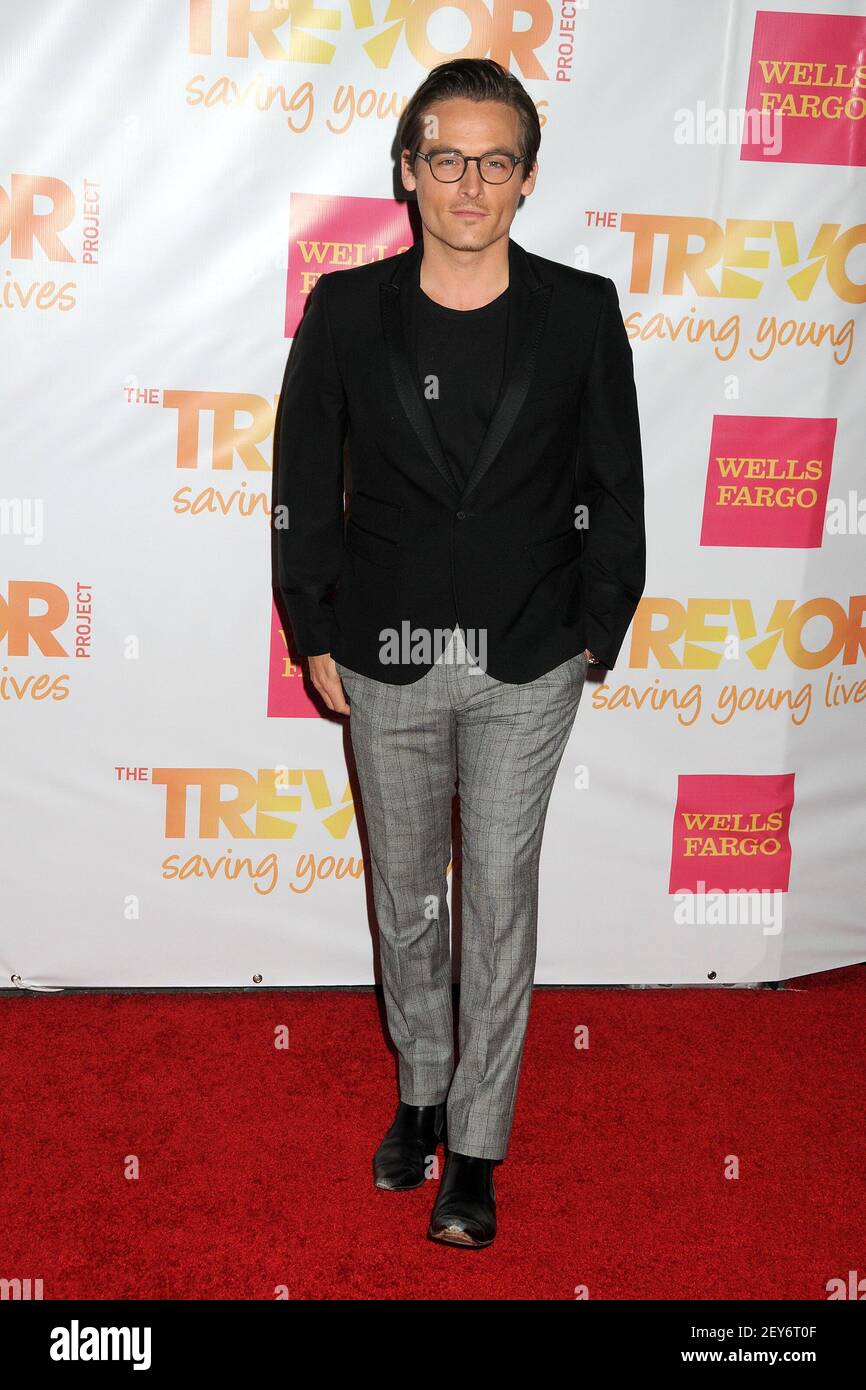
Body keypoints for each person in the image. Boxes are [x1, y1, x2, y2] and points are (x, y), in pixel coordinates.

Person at [273, 57, 645, 1249]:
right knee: (406, 901)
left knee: (496, 901)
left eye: (494, 160)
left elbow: (614, 483)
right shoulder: (344, 311)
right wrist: (313, 627)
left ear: (527, 177)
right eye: (446, 158)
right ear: (407, 170)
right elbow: (300, 484)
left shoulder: (580, 311)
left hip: (528, 658)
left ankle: (473, 1148)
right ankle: (419, 1092)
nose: (468, 182)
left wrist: (596, 626)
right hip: (379, 655)